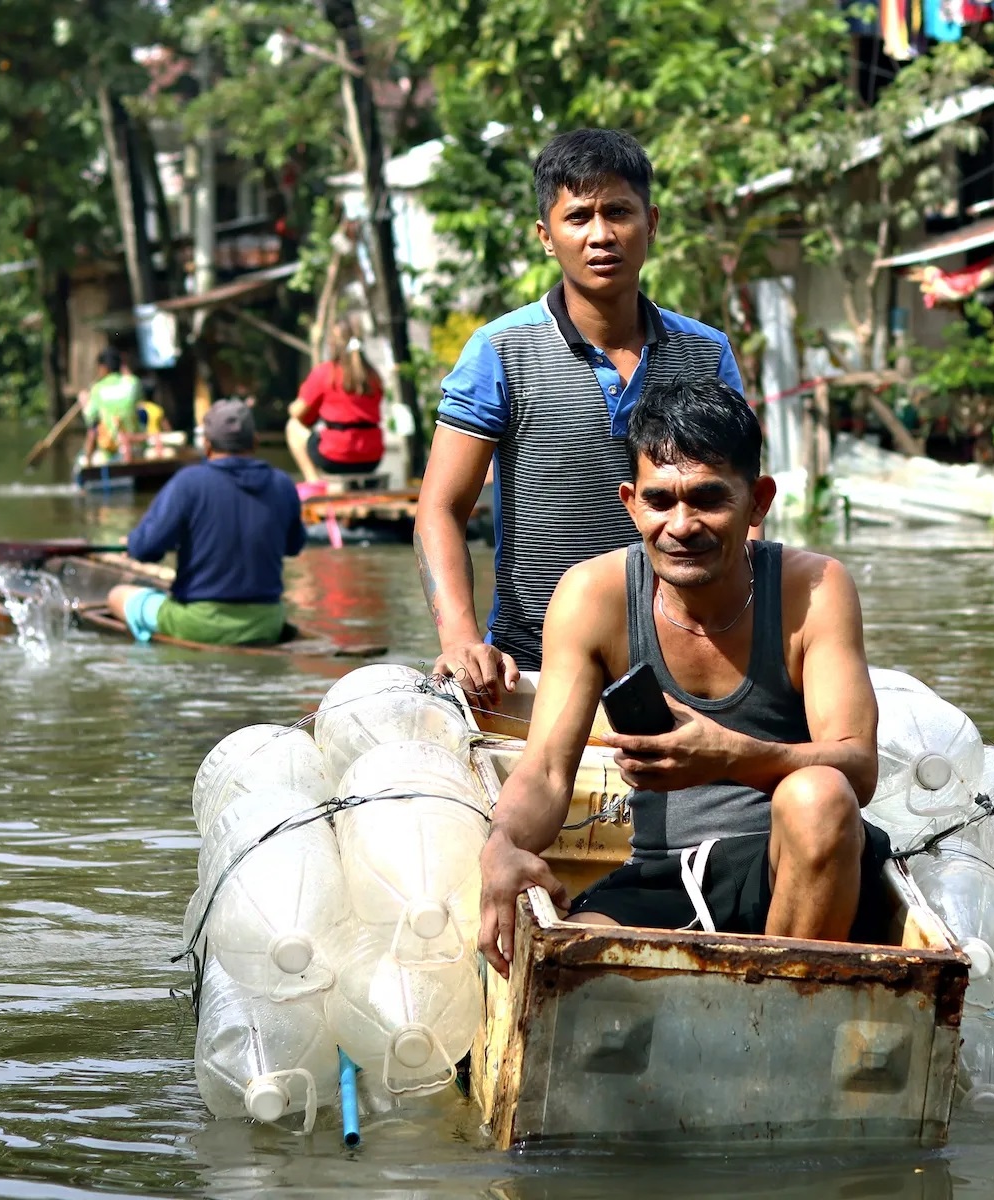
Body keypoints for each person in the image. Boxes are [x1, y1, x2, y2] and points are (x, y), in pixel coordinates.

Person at [476, 375, 885, 975]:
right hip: (664, 876)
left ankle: (779, 1026)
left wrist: (730, 756)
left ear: (758, 501)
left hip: (795, 868)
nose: (682, 524)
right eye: (660, 500)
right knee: (567, 972)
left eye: (709, 498)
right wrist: (502, 848)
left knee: (819, 795)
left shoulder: (813, 589)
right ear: (629, 501)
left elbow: (859, 768)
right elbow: (543, 771)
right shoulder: (595, 594)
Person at [414, 128, 745, 703]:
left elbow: (741, 505)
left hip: (685, 654)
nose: (601, 235)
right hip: (532, 660)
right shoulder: (500, 351)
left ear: (652, 223)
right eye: (578, 217)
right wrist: (462, 640)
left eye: (619, 212)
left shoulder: (705, 352)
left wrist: (749, 632)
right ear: (547, 236)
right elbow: (440, 509)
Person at [106, 400, 307, 646]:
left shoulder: (188, 483)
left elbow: (145, 549)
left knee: (117, 595)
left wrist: (133, 542)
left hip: (199, 623)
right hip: (267, 623)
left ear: (207, 445)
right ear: (255, 442)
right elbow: (293, 546)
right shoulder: (282, 484)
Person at [287, 320, 385, 484]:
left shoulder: (326, 372)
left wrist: (291, 407)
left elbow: (298, 412)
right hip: (371, 458)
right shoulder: (373, 376)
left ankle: (314, 483)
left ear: (332, 344)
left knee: (292, 426)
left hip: (336, 456)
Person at [82, 348, 142, 463]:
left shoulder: (97, 389)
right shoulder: (134, 382)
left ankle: (88, 458)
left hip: (112, 450)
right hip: (136, 447)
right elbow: (138, 401)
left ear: (103, 367)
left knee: (94, 426)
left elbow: (90, 418)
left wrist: (84, 403)